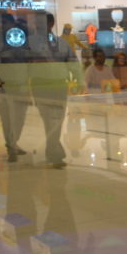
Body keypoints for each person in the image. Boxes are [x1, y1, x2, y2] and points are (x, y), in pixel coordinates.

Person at [29, 13, 81, 168]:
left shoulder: (62, 44)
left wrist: (78, 80)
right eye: (36, 22)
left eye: (42, 22)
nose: (38, 25)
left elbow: (73, 63)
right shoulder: (30, 44)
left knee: (57, 118)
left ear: (51, 23)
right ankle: (54, 151)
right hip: (40, 85)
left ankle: (52, 149)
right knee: (48, 118)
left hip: (59, 85)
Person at [0, 13, 32, 162]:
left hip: (21, 84)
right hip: (3, 85)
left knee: (20, 117)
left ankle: (13, 142)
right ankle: (11, 146)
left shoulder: (22, 39)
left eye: (4, 22)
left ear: (12, 24)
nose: (2, 26)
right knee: (7, 117)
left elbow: (29, 63)